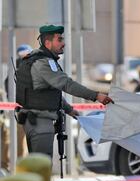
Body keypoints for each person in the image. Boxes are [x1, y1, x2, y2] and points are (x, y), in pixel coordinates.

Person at [15, 24, 113, 159]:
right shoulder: (44, 63)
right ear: (48, 43)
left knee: (38, 168)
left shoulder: (36, 59)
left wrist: (68, 109)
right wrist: (96, 95)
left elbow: (47, 92)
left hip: (34, 121)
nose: (64, 43)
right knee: (42, 169)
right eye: (59, 40)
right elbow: (66, 84)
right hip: (41, 124)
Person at [1, 44, 33, 170]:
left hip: (37, 111)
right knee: (20, 140)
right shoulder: (16, 67)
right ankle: (21, 166)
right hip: (22, 110)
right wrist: (14, 102)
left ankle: (29, 166)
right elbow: (8, 83)